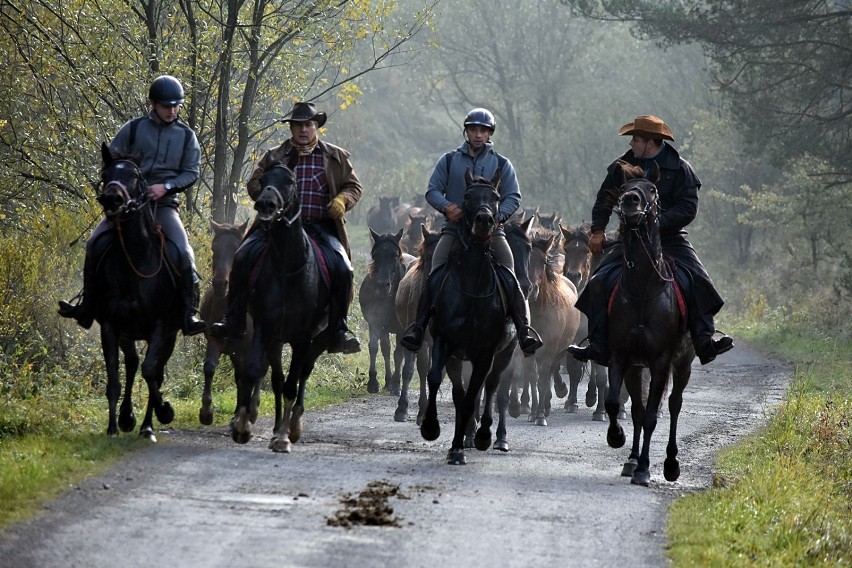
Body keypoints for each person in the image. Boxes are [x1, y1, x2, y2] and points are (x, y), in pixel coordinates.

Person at [567, 115, 734, 365]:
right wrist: (598, 230)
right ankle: (598, 343)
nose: (632, 143)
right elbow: (604, 200)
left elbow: (688, 207)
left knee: (699, 280)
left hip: (669, 239)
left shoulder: (681, 168)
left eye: (636, 139)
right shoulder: (621, 166)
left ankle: (704, 340)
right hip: (629, 241)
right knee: (599, 281)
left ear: (650, 142)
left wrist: (657, 222)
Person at [59, 75, 206, 336]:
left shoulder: (187, 136)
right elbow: (112, 160)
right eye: (166, 105)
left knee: (184, 252)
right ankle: (87, 306)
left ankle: (188, 314)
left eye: (176, 106)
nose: (172, 110)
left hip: (164, 206)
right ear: (152, 103)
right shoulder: (134, 128)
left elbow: (192, 172)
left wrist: (166, 187)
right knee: (94, 243)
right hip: (128, 205)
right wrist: (124, 188)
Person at [210, 101, 362, 354]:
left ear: (316, 127)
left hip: (321, 228)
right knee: (243, 256)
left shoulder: (335, 155)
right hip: (275, 227)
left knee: (344, 269)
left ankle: (339, 329)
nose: (304, 130)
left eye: (309, 124)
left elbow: (354, 186)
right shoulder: (274, 156)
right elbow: (254, 184)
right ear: (291, 128)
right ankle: (234, 319)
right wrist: (269, 197)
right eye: (298, 125)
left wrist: (342, 200)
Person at [400, 107, 543, 356]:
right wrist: (447, 207)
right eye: (474, 130)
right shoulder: (448, 160)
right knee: (434, 271)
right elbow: (433, 190)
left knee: (512, 271)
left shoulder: (501, 163)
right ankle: (418, 327)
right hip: (455, 229)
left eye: (483, 131)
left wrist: (497, 218)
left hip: (492, 232)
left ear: (489, 135)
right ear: (466, 132)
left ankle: (524, 330)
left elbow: (513, 196)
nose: (478, 135)